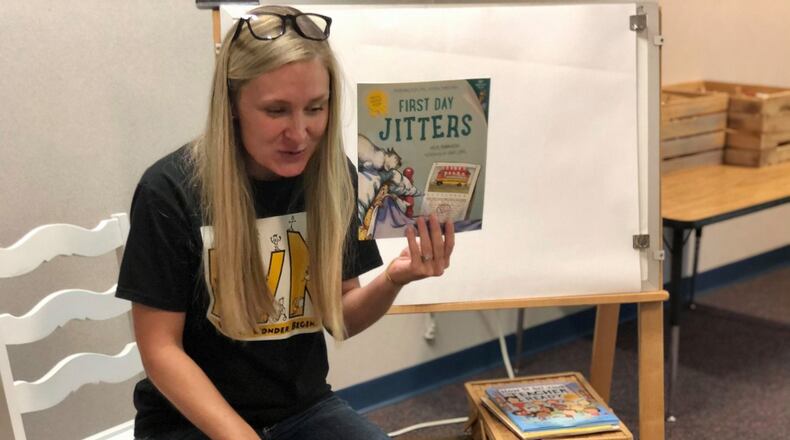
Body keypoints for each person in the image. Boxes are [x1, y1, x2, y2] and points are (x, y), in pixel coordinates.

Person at [116, 5, 454, 440]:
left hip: (303, 410)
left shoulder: (335, 179)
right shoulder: (169, 191)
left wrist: (393, 279)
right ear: (233, 104)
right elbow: (161, 351)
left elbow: (341, 319)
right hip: (190, 420)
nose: (299, 134)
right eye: (276, 111)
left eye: (315, 108)